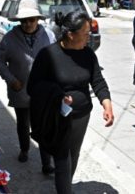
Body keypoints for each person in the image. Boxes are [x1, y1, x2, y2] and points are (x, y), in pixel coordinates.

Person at [27, 12, 114, 194]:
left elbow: (97, 80)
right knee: (61, 158)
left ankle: (66, 186)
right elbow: (33, 87)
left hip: (81, 116)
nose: (89, 37)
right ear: (70, 34)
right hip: (57, 117)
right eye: (85, 33)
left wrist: (106, 103)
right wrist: (58, 95)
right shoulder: (48, 55)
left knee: (73, 156)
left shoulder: (88, 54)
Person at [0, 0, 56, 174]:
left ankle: (46, 162)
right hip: (20, 89)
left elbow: (56, 58)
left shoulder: (48, 36)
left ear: (38, 19)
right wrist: (10, 79)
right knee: (23, 123)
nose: (28, 24)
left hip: (43, 91)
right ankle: (24, 149)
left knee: (42, 126)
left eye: (32, 20)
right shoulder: (10, 37)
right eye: (24, 20)